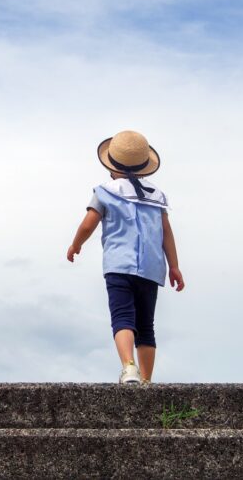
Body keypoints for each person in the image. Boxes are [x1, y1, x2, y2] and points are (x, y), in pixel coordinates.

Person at [66, 130, 185, 384]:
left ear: (112, 165)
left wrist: (76, 245)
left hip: (119, 265)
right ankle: (147, 380)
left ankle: (129, 367)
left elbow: (89, 224)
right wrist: (174, 266)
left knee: (122, 317)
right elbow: (167, 233)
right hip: (152, 269)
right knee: (146, 325)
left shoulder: (105, 191)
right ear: (144, 167)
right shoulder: (157, 196)